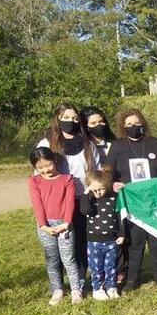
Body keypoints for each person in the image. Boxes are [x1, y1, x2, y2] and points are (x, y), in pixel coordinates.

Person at [105, 108, 157, 289]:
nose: (133, 127)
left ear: (142, 123)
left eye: (136, 123)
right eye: (128, 125)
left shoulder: (156, 144)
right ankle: (131, 279)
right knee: (135, 243)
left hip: (154, 203)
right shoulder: (118, 146)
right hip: (132, 203)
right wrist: (113, 184)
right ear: (123, 127)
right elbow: (108, 172)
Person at [38, 103, 101, 289]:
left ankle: (79, 279)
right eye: (65, 118)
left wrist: (92, 191)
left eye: (74, 119)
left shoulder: (88, 144)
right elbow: (38, 173)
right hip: (56, 203)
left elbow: (95, 171)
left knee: (81, 240)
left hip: (82, 198)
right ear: (57, 120)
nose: (70, 122)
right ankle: (57, 284)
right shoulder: (46, 144)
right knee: (58, 245)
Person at [27, 147, 82, 305]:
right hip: (46, 227)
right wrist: (43, 225)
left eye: (48, 165)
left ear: (55, 161)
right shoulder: (34, 181)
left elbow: (69, 203)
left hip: (65, 225)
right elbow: (37, 204)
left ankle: (76, 290)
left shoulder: (67, 179)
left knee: (69, 258)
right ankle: (58, 289)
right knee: (52, 259)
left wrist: (66, 223)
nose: (46, 170)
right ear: (36, 168)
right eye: (41, 167)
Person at [79, 166, 124, 300]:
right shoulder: (89, 200)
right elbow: (85, 211)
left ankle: (111, 287)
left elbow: (119, 217)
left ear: (107, 185)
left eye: (101, 188)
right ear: (89, 188)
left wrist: (122, 234)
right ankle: (97, 289)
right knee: (96, 266)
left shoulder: (113, 198)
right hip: (94, 240)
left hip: (112, 240)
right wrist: (87, 194)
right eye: (95, 189)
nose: (98, 192)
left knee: (111, 265)